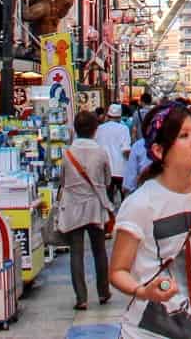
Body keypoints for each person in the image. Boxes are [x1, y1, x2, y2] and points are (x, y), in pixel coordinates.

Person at [108, 101, 191, 339]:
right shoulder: (141, 203)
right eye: (184, 135)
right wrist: (143, 291)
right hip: (147, 332)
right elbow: (118, 271)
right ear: (159, 151)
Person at [57, 110, 116, 311]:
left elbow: (62, 181)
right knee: (99, 251)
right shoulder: (100, 152)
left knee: (76, 252)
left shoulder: (67, 153)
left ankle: (81, 298)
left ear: (75, 129)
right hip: (95, 206)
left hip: (73, 206)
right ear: (95, 129)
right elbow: (108, 180)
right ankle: (103, 292)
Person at [98, 103, 133, 203]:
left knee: (107, 199)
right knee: (124, 199)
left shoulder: (100, 129)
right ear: (119, 116)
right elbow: (126, 150)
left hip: (104, 169)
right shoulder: (124, 129)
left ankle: (110, 217)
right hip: (120, 169)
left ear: (108, 116)